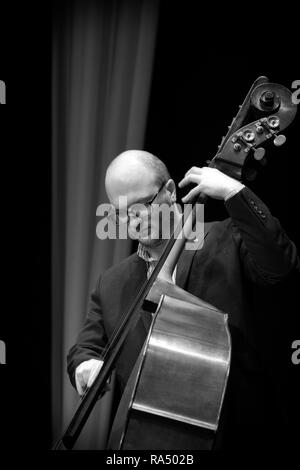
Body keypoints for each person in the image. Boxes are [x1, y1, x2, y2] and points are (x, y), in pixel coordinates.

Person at [67, 149, 299, 449]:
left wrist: (235, 193)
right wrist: (85, 366)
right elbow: (85, 348)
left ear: (169, 190)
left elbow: (281, 265)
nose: (132, 221)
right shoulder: (111, 282)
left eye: (141, 206)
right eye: (120, 212)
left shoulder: (227, 238)